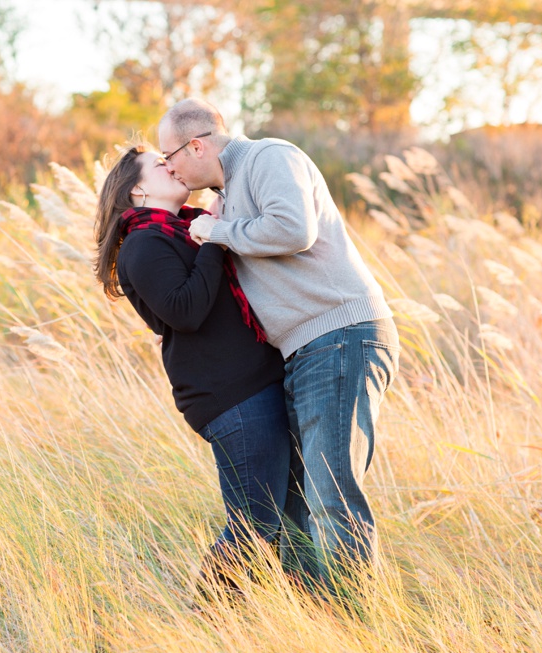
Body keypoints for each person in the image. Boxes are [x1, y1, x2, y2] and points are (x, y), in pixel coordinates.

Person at [157, 98, 400, 589]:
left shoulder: (270, 157)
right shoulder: (222, 197)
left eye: (171, 156)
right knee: (297, 504)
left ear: (197, 144)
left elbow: (294, 229)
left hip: (339, 335)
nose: (169, 167)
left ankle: (355, 623)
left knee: (331, 494)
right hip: (303, 352)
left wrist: (218, 231)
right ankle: (317, 621)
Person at [94, 144, 290, 599]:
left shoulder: (179, 232)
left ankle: (268, 619)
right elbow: (185, 311)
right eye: (161, 166)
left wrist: (212, 231)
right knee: (254, 524)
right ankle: (208, 618)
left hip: (250, 385)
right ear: (138, 189)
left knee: (272, 521)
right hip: (230, 395)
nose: (173, 167)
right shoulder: (144, 244)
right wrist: (212, 238)